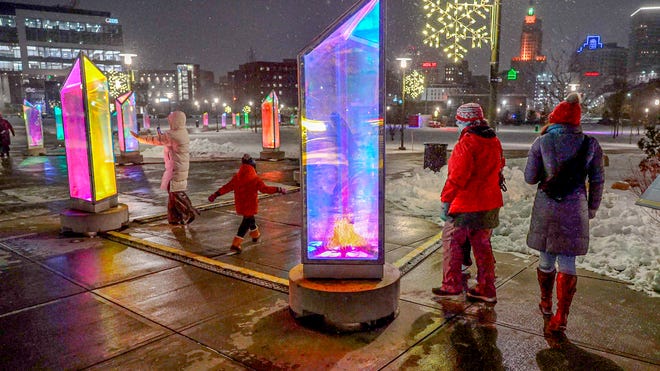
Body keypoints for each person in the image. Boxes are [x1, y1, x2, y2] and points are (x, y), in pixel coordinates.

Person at [525, 93, 604, 344]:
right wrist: (591, 208)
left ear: (555, 118)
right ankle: (561, 316)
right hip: (574, 209)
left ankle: (546, 302)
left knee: (546, 256)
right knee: (568, 263)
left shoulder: (543, 142)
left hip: (547, 209)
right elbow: (598, 181)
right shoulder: (591, 145)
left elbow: (530, 177)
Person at [433, 103, 505, 303]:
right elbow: (500, 165)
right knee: (483, 246)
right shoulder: (493, 140)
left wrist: (446, 201)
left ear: (464, 121)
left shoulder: (467, 143)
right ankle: (487, 288)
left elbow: (457, 177)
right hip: (490, 202)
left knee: (451, 240)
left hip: (467, 204)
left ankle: (451, 285)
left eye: (458, 120)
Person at [131, 110, 199, 225]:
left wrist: (139, 138)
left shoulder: (172, 135)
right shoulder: (182, 132)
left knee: (175, 192)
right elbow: (164, 139)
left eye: (171, 120)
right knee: (173, 192)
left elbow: (155, 140)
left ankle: (188, 211)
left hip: (175, 168)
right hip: (179, 167)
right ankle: (175, 218)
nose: (169, 122)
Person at [208, 154, 286, 253]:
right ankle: (235, 244)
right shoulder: (255, 179)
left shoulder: (237, 177)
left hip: (240, 204)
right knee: (245, 223)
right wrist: (278, 189)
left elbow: (226, 187)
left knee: (250, 219)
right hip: (250, 204)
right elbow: (265, 189)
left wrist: (216, 194)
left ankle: (255, 235)